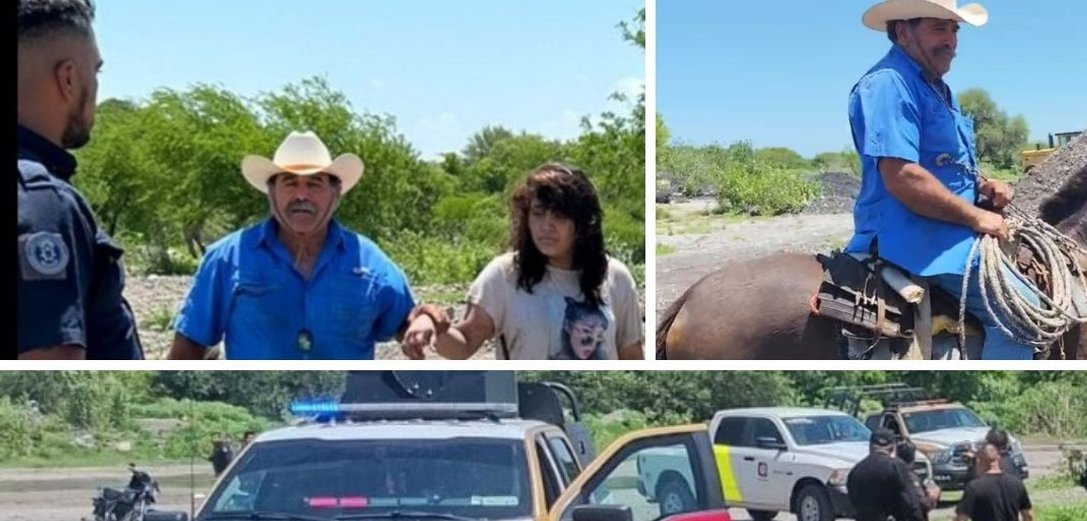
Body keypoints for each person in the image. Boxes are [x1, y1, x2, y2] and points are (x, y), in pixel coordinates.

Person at [848, 0, 1043, 359]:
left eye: (955, 30)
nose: (951, 41)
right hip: (911, 235)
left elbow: (942, 161)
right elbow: (903, 176)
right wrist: (977, 217)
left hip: (943, 227)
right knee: (1022, 314)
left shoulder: (936, 88)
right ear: (903, 31)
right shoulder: (889, 84)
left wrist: (983, 184)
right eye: (940, 28)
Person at [168, 131, 420, 359]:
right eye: (290, 183)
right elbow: (190, 342)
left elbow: (404, 323)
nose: (301, 195)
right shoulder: (227, 257)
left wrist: (425, 319)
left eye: (314, 184)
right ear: (271, 191)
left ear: (336, 192)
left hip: (344, 406)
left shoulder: (370, 261)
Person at [402, 163, 643, 360]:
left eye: (559, 216)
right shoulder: (503, 276)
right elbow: (464, 345)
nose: (546, 226)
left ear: (582, 222)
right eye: (537, 214)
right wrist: (432, 321)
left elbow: (631, 355)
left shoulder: (615, 277)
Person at [17, 0, 143, 360]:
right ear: (69, 79)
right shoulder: (43, 200)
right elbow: (50, 363)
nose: (98, 87)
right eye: (96, 71)